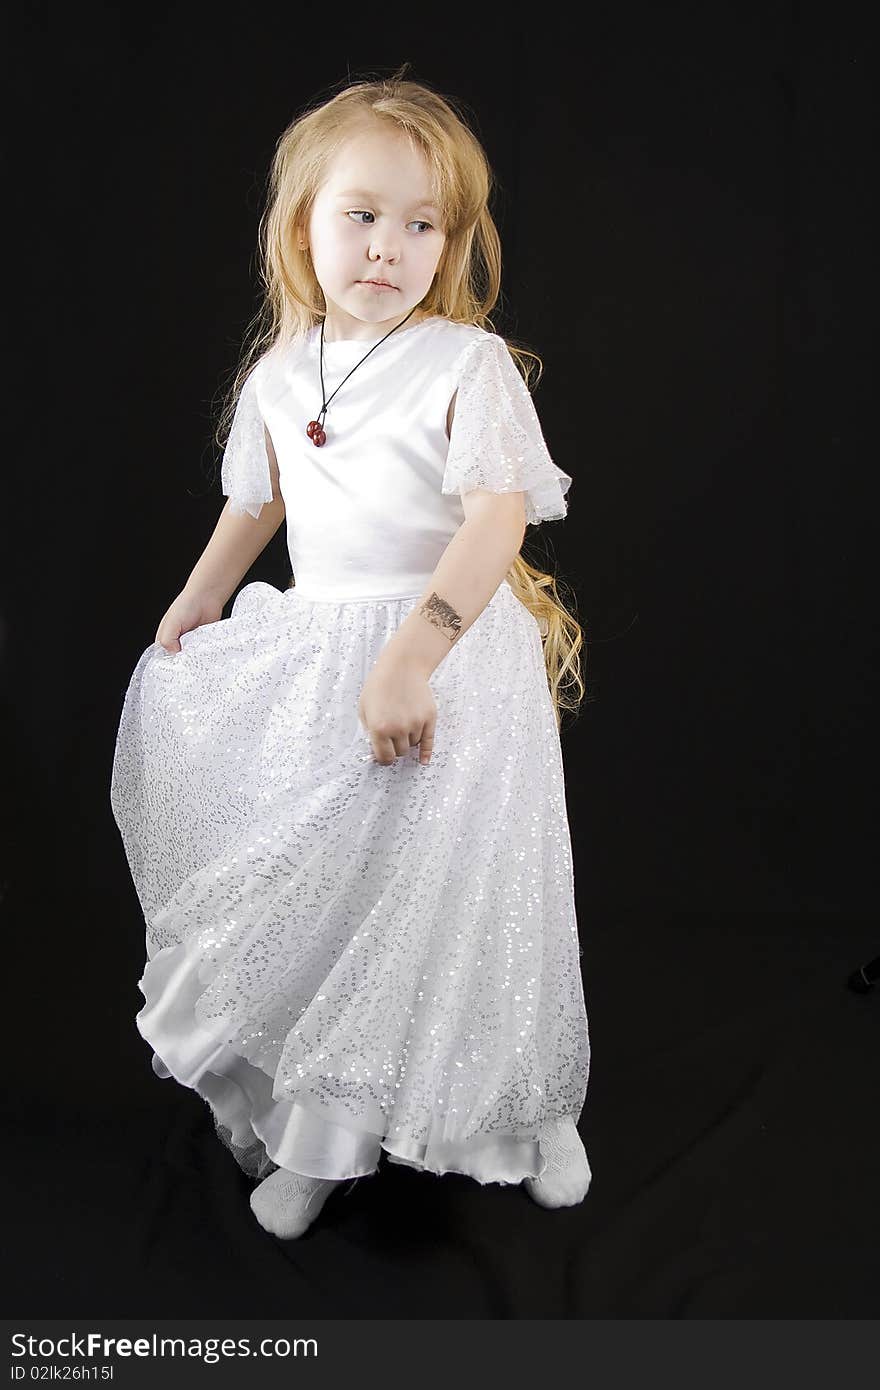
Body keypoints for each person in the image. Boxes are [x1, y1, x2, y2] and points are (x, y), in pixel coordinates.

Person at [110, 68, 592, 1241]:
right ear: (303, 224)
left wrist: (413, 657)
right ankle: (324, 1132)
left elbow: (495, 516)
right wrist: (198, 595)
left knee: (464, 899)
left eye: (422, 225)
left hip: (442, 648)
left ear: (450, 243)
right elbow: (256, 505)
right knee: (343, 899)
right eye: (362, 214)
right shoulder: (280, 374)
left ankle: (527, 1111)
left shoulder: (466, 366)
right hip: (316, 650)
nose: (388, 246)